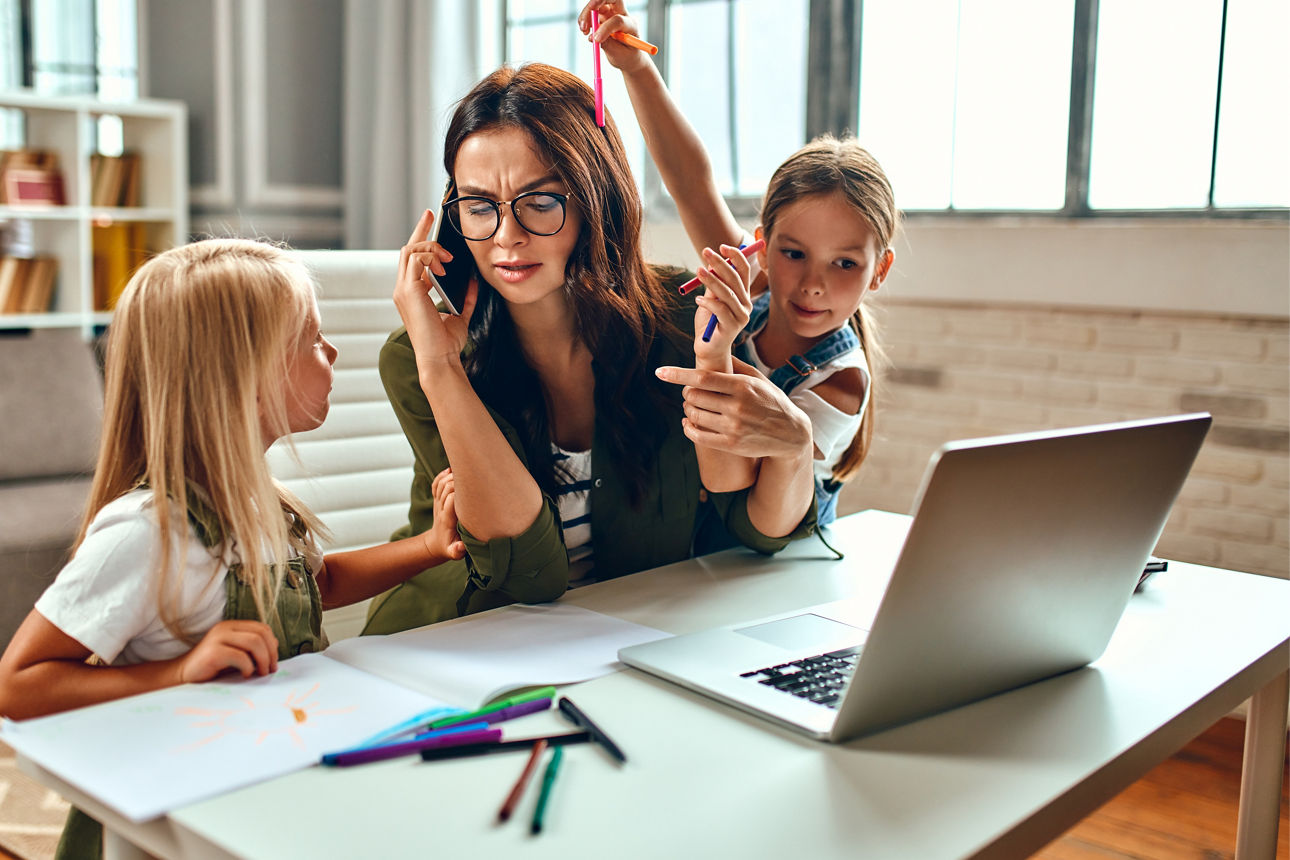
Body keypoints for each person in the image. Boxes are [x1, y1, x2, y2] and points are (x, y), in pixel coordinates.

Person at [0, 239, 466, 857]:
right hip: (173, 817)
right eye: (311, 340)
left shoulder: (256, 501)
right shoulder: (150, 532)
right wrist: (178, 673)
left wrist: (430, 546)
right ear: (243, 375)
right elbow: (19, 684)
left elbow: (315, 587)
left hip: (261, 776)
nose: (331, 352)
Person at [368, 62, 819, 634]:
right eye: (479, 206)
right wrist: (440, 367)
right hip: (452, 644)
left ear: (595, 200)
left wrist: (795, 446)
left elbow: (751, 535)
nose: (508, 235)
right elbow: (527, 575)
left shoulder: (681, 321)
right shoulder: (421, 359)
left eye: (539, 201)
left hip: (623, 644)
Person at [582, 1, 899, 525]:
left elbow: (750, 495)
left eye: (845, 264)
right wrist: (635, 67)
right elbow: (689, 179)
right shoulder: (749, 280)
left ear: (879, 271)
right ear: (761, 246)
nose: (813, 284)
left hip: (775, 561)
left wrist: (719, 352)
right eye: (793, 253)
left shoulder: (841, 380)